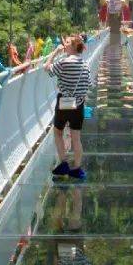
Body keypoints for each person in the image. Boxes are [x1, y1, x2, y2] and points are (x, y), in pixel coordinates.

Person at [51, 31, 91, 180]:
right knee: (76, 138)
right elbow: (88, 85)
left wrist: (55, 52)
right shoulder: (85, 65)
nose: (64, 45)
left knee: (58, 132)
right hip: (78, 105)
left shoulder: (64, 62)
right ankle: (77, 169)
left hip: (63, 103)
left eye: (67, 43)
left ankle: (64, 164)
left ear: (74, 46)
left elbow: (47, 69)